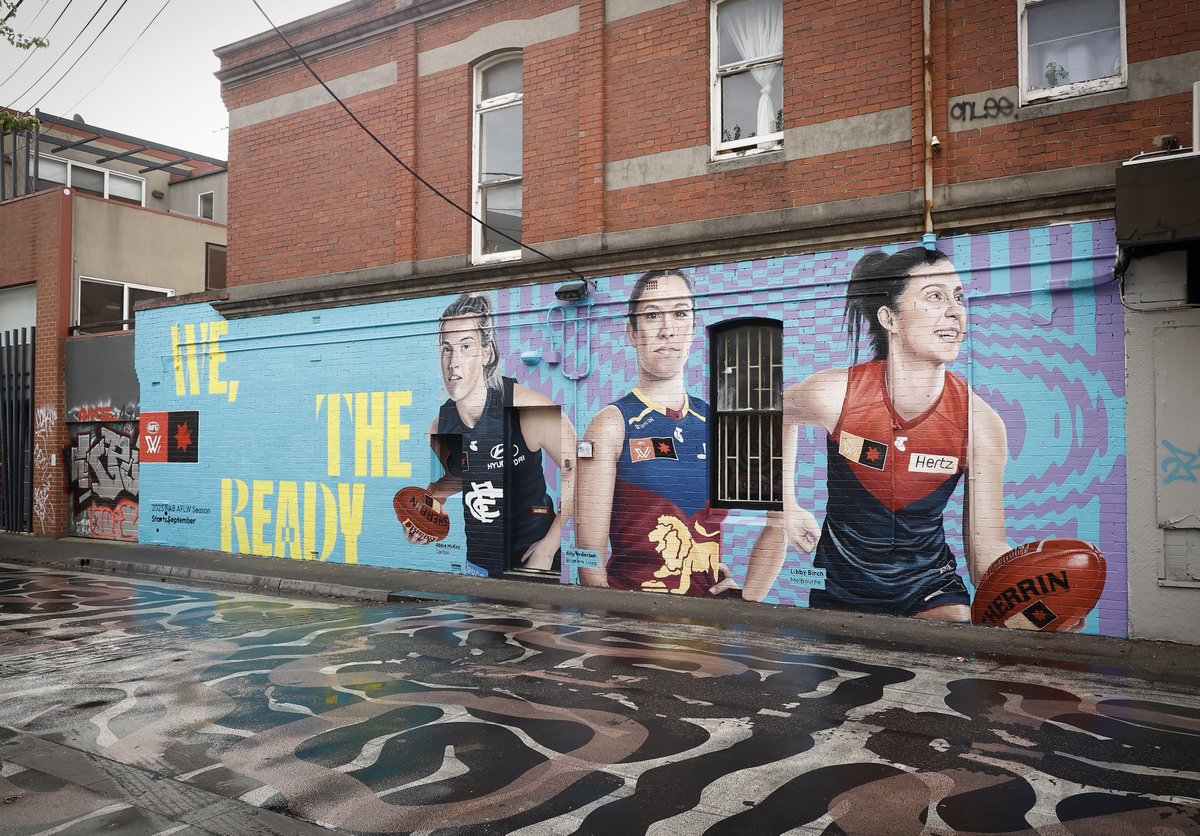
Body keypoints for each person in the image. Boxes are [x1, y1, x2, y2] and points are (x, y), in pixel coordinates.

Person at [743, 247, 1010, 621]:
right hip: (840, 589)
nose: (955, 311)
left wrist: (1036, 599)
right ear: (890, 319)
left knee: (954, 629)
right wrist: (783, 507)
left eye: (959, 297)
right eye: (935, 296)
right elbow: (774, 415)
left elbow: (985, 556)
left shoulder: (979, 424)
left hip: (930, 586)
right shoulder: (835, 395)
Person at [576, 270, 734, 596]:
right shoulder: (611, 425)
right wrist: (607, 617)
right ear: (632, 333)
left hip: (706, 618)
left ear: (693, 329)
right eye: (652, 315)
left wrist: (740, 591)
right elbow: (589, 561)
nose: (667, 330)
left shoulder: (716, 422)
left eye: (680, 313)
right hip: (632, 613)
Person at [408, 293, 575, 576]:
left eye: (465, 346)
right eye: (447, 349)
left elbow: (582, 474)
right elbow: (459, 477)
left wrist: (548, 548)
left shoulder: (529, 408)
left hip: (533, 563)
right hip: (478, 565)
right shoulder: (441, 426)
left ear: (486, 352)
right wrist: (429, 512)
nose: (453, 362)